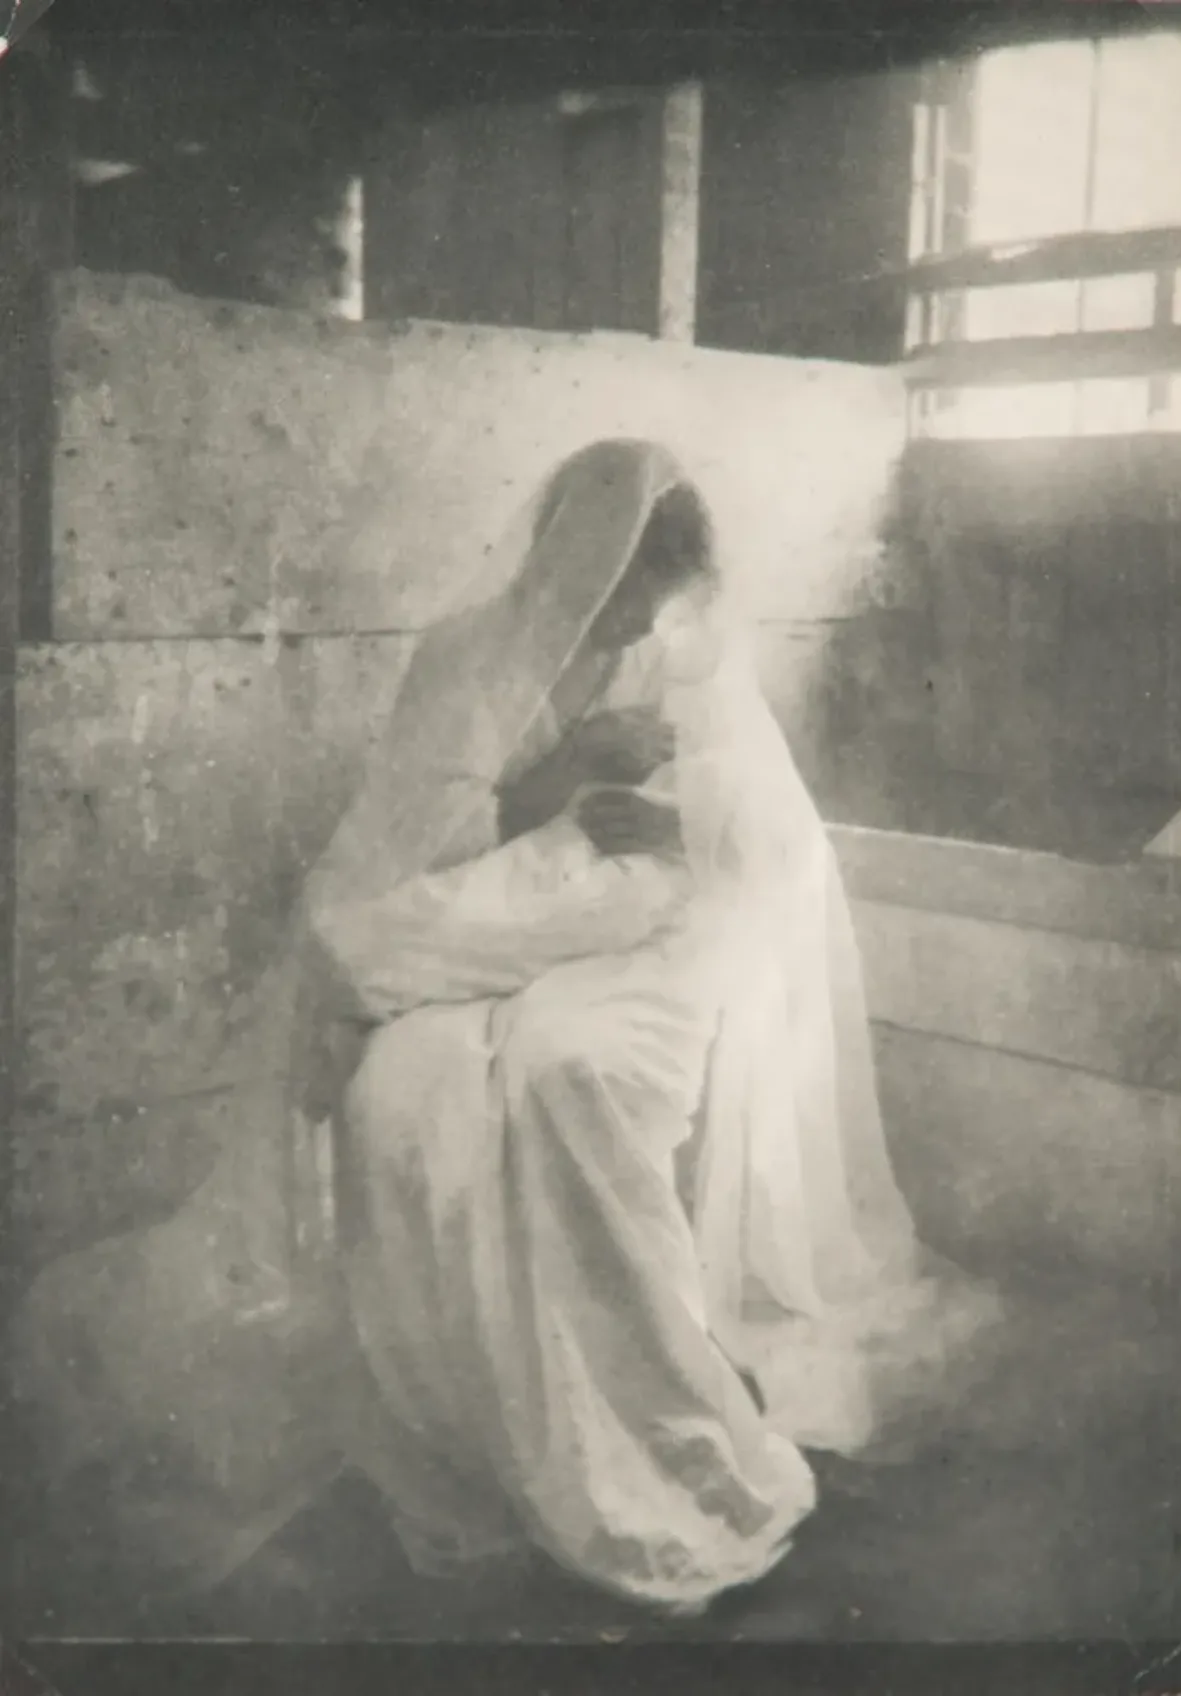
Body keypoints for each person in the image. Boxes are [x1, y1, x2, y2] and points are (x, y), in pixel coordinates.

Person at [7, 439, 995, 1621]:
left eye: (655, 598)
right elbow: (412, 845)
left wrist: (667, 822)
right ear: (584, 559)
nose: (638, 620)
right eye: (627, 589)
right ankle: (470, 1431)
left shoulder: (672, 664)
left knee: (561, 1074)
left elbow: (754, 821)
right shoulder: (469, 659)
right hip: (486, 903)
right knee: (404, 1097)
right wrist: (566, 780)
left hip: (618, 934)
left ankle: (634, 1431)